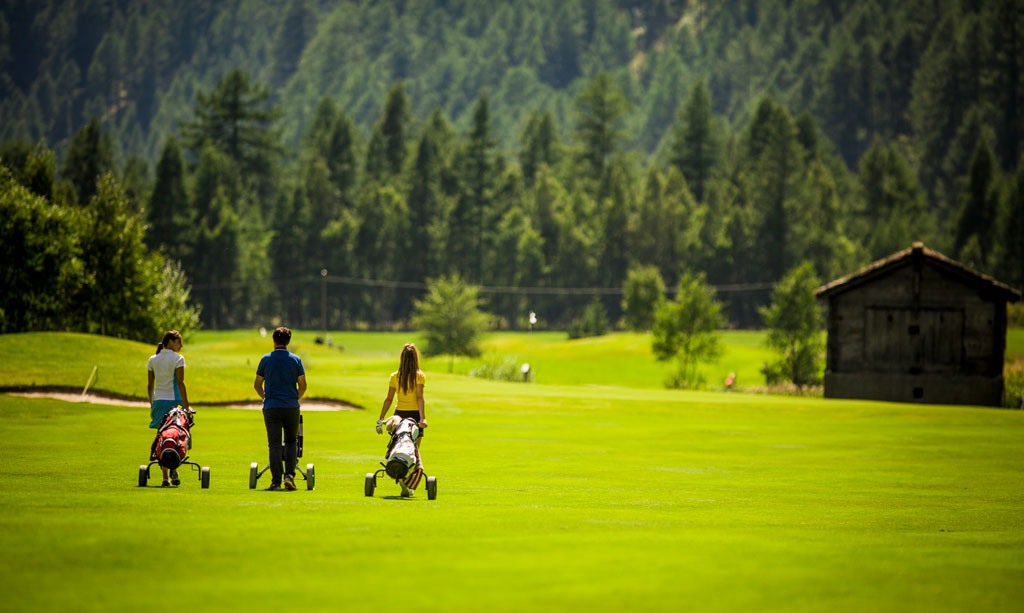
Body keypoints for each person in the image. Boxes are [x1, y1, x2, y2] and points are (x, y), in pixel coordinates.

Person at [254, 326, 306, 491]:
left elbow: (257, 384)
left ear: (274, 340)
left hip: (272, 406)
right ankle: (289, 476)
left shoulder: (266, 359)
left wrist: (266, 398)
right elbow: (303, 386)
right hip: (291, 406)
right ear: (288, 341)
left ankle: (276, 481)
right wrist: (294, 398)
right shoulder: (296, 360)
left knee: (274, 444)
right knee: (291, 442)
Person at [376, 343, 427, 497]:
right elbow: (419, 398)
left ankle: (404, 483)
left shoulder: (394, 376)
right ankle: (407, 485)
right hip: (415, 417)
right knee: (413, 451)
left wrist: (381, 419)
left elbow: (388, 399)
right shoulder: (420, 376)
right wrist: (423, 418)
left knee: (397, 448)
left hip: (398, 417)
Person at [147, 330, 191, 487]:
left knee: (162, 438)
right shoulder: (178, 358)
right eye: (179, 342)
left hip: (158, 402)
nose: (181, 345)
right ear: (171, 342)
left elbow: (150, 385)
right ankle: (174, 467)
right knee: (178, 435)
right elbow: (180, 383)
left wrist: (152, 404)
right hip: (175, 402)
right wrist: (187, 406)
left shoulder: (153, 359)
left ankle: (165, 477)